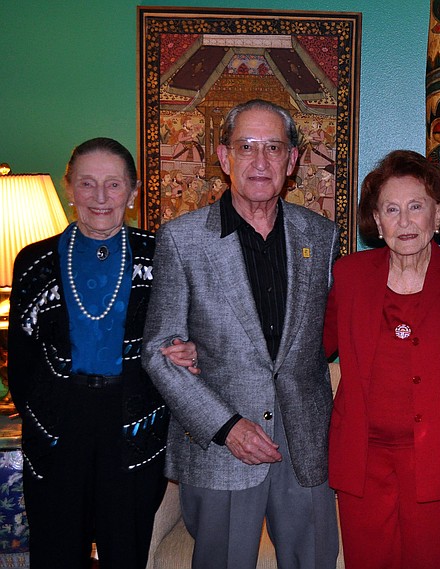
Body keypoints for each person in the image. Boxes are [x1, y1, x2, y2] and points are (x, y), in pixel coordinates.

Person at [142, 99, 340, 569]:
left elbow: (337, 331)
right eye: (246, 146)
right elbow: (157, 351)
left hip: (305, 444)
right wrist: (226, 426)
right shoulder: (182, 239)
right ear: (224, 157)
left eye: (273, 147)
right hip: (220, 446)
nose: (260, 160)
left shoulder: (322, 235)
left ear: (292, 161)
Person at [7, 137, 197, 569]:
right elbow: (20, 361)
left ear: (132, 192)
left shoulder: (163, 255)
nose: (100, 197)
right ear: (68, 186)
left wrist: (191, 347)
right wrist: (43, 419)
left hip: (134, 422)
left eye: (113, 185)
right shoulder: (34, 262)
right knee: (55, 552)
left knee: (125, 553)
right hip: (59, 425)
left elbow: (190, 330)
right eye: (87, 183)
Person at [324, 150, 440, 569]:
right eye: (392, 210)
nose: (404, 222)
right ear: (377, 221)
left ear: (437, 215)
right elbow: (306, 346)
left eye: (416, 207)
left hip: (438, 465)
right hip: (362, 465)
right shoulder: (349, 277)